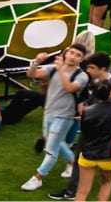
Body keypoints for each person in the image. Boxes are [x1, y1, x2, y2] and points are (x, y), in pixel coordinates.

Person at [19, 44, 85, 192]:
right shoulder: (54, 68)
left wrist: (61, 68)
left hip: (65, 116)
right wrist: (36, 62)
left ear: (82, 59)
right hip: (49, 113)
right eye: (71, 53)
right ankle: (73, 163)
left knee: (51, 150)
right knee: (54, 142)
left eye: (77, 55)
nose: (72, 56)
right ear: (66, 54)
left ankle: (38, 178)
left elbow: (69, 88)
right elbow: (31, 74)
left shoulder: (82, 76)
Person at [70, 79, 111, 202]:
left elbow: (85, 133)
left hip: (88, 157)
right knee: (106, 183)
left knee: (81, 192)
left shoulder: (87, 112)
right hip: (109, 157)